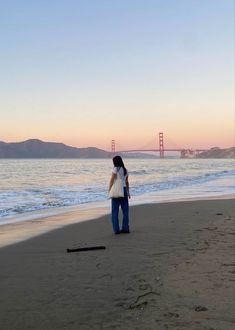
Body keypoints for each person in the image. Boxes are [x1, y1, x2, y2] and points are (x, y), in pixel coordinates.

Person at [108, 155, 130, 235]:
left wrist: (109, 190)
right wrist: (128, 192)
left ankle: (116, 230)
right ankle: (125, 228)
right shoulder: (125, 170)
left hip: (117, 191)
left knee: (115, 211)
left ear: (115, 162)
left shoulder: (115, 169)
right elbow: (127, 182)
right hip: (124, 191)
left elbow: (111, 180)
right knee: (125, 211)